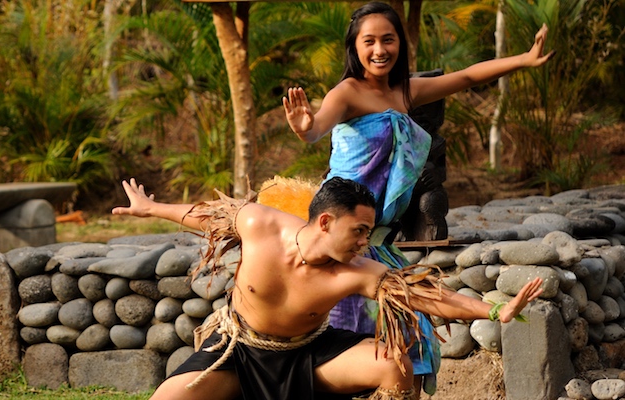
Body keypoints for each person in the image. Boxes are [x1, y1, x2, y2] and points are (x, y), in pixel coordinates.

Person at [282, 2, 555, 394]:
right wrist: (305, 128)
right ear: (354, 48)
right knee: (339, 342)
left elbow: (467, 76)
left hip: (377, 241)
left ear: (400, 44)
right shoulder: (347, 93)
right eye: (369, 41)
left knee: (403, 341)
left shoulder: (405, 92)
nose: (380, 50)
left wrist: (524, 59)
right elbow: (317, 127)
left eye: (388, 40)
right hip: (342, 235)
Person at [112, 177, 543, 400]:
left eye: (368, 233)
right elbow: (205, 216)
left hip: (310, 354)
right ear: (324, 222)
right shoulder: (259, 224)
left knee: (393, 363)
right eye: (358, 231)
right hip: (240, 351)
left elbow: (426, 296)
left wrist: (491, 311)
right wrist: (151, 208)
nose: (364, 243)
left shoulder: (357, 271)